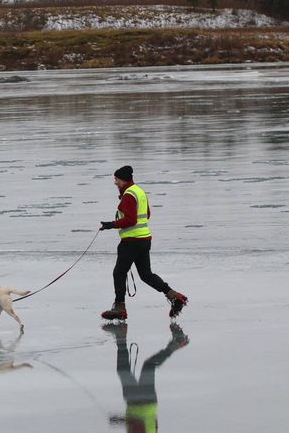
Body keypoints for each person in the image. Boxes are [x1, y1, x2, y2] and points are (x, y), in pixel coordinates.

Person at [99, 165, 187, 320]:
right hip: (144, 240)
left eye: (116, 179)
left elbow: (131, 220)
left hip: (131, 242)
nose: (115, 182)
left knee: (119, 273)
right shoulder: (139, 191)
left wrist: (111, 225)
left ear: (123, 180)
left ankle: (120, 308)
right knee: (146, 275)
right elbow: (146, 214)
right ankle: (175, 296)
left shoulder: (128, 194)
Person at [103, 322, 190, 432]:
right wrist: (122, 420)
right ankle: (121, 335)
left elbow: (147, 423)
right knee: (131, 369)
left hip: (145, 402)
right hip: (139, 403)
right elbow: (138, 423)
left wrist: (122, 420)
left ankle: (175, 344)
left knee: (146, 366)